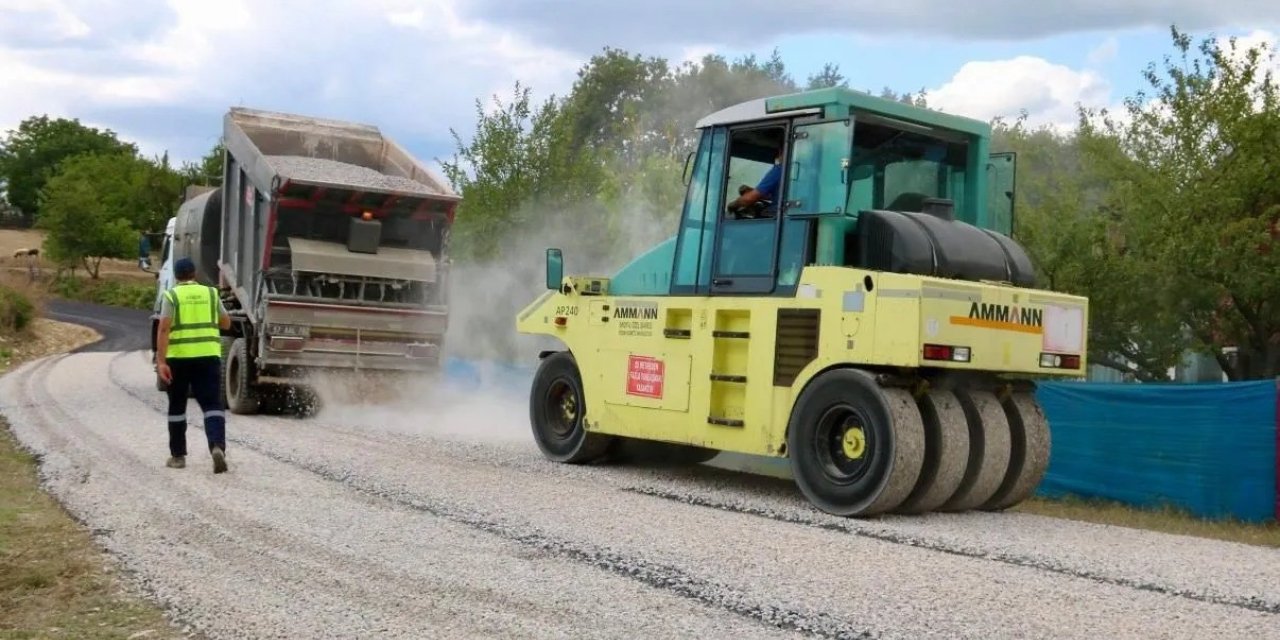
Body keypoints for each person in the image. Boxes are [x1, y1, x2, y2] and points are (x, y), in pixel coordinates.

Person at [155, 257, 232, 473]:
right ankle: (217, 446)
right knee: (212, 405)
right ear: (194, 273)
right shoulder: (210, 293)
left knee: (177, 406)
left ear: (177, 276)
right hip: (208, 357)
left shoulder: (171, 295)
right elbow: (226, 322)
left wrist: (161, 362)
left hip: (178, 359)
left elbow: (163, 329)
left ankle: (178, 456)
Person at [727, 149, 783, 217]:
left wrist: (734, 204)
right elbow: (777, 197)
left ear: (781, 152)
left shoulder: (780, 170)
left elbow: (749, 199)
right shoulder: (793, 173)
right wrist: (753, 191)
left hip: (778, 215)